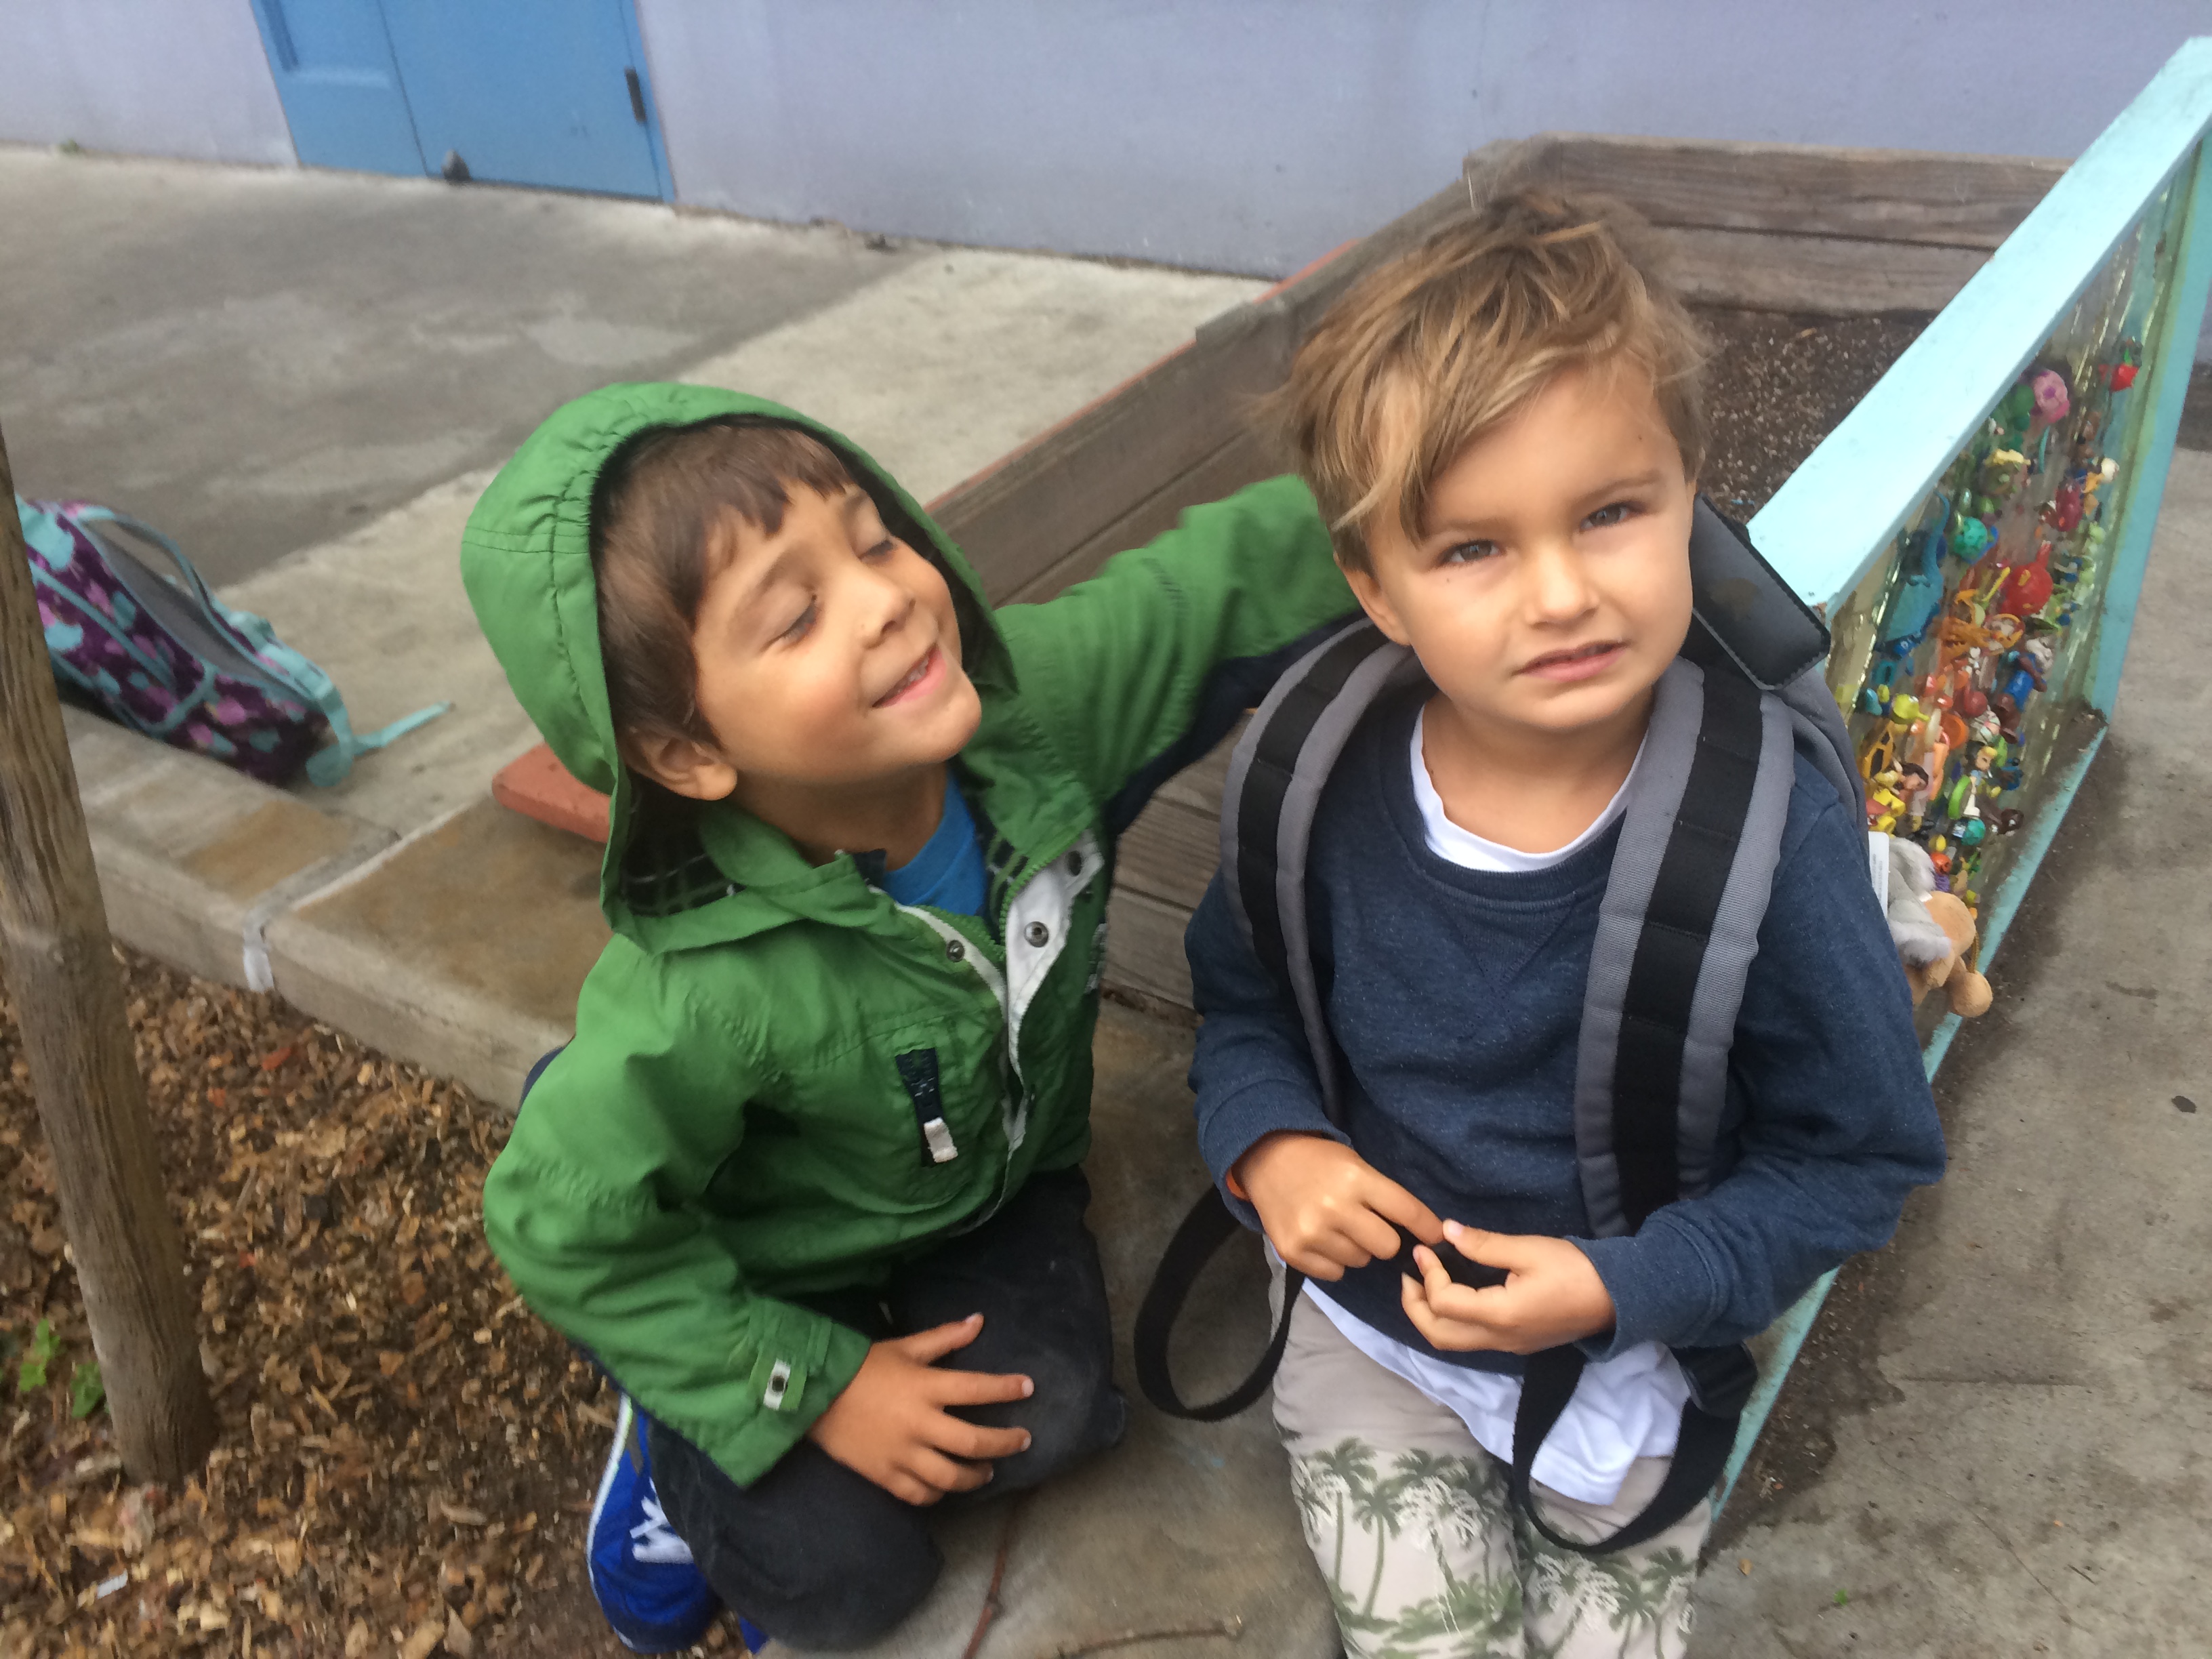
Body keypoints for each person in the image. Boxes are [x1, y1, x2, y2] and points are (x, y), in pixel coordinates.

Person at [459, 382, 1357, 1652]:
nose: (885, 598)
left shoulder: (1029, 727)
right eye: (796, 616)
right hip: (773, 1260)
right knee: (847, 1579)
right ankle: (671, 1432)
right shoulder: (697, 991)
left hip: (988, 1190)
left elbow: (1220, 581)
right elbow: (554, 1225)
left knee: (1051, 1417)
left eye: (874, 538)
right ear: (687, 753)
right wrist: (811, 1389)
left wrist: (1460, 499)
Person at [1184, 192, 1947, 1658]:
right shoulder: (1314, 780)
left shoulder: (1767, 836)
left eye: (1610, 513)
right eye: (1472, 548)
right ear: (1376, 588)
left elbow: (1858, 1158)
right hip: (1377, 1332)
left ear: (1689, 494)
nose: (1560, 594)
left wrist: (1619, 1284)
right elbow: (1247, 998)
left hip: (1635, 1346)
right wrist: (1268, 1143)